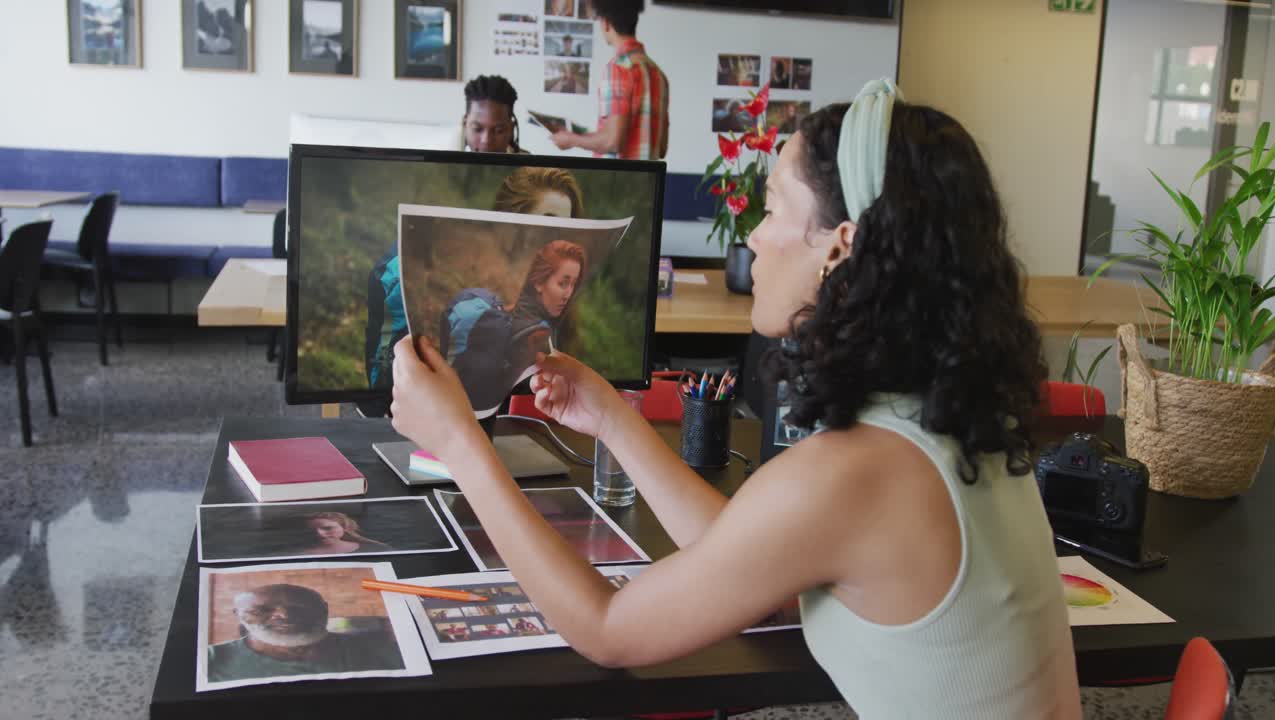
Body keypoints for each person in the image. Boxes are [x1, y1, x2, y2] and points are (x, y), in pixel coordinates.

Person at [388, 79, 1083, 719]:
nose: (752, 233)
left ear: (838, 248)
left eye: (774, 206)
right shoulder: (953, 425)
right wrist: (610, 418)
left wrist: (461, 446)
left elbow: (608, 629)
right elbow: (745, 553)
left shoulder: (853, 473)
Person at [365, 167, 585, 393]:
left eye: (567, 227)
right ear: (512, 223)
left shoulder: (558, 295)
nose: (557, 236)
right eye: (548, 223)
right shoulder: (402, 274)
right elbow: (382, 383)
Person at [439, 239, 587, 414]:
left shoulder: (511, 315)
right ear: (539, 282)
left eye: (573, 285)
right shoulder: (538, 336)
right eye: (563, 283)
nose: (568, 294)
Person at [206, 584, 402, 681]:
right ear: (237, 614)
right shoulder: (210, 660)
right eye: (262, 609)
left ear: (324, 610)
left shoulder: (379, 651)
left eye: (299, 608)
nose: (283, 615)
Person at [552, 0, 669, 160]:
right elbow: (661, 148)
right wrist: (580, 134)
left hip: (617, 182)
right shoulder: (658, 75)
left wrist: (571, 140)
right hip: (648, 183)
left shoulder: (618, 69)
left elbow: (613, 142)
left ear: (606, 23)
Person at [461, 74, 526, 154]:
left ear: (511, 130)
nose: (486, 141)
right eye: (477, 129)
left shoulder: (530, 165)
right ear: (465, 126)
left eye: (498, 131)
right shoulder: (447, 164)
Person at [289, 511, 391, 556]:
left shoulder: (377, 549)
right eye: (311, 530)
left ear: (344, 527)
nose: (320, 534)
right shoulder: (295, 555)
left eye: (328, 528)